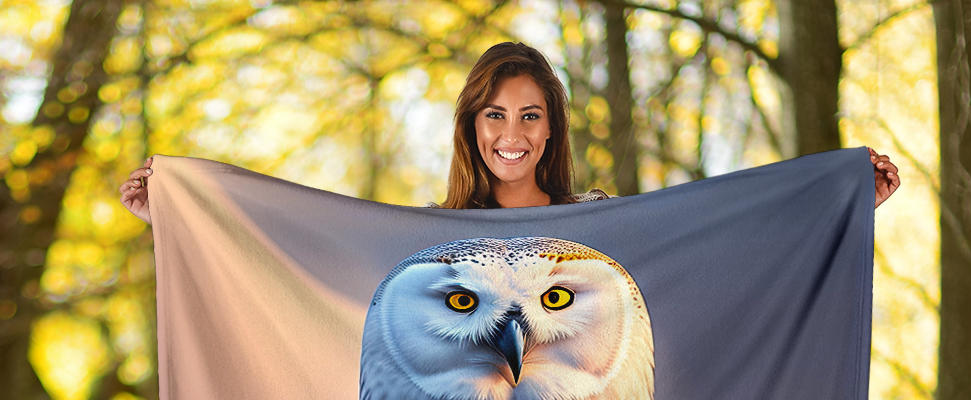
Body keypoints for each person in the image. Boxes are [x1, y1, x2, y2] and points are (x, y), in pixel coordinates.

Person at [120, 41, 899, 219]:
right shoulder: (425, 235)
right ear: (472, 127)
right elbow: (305, 247)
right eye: (495, 115)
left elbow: (715, 234)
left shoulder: (595, 220)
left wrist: (837, 202)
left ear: (552, 131)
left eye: (531, 116)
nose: (512, 133)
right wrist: (187, 219)